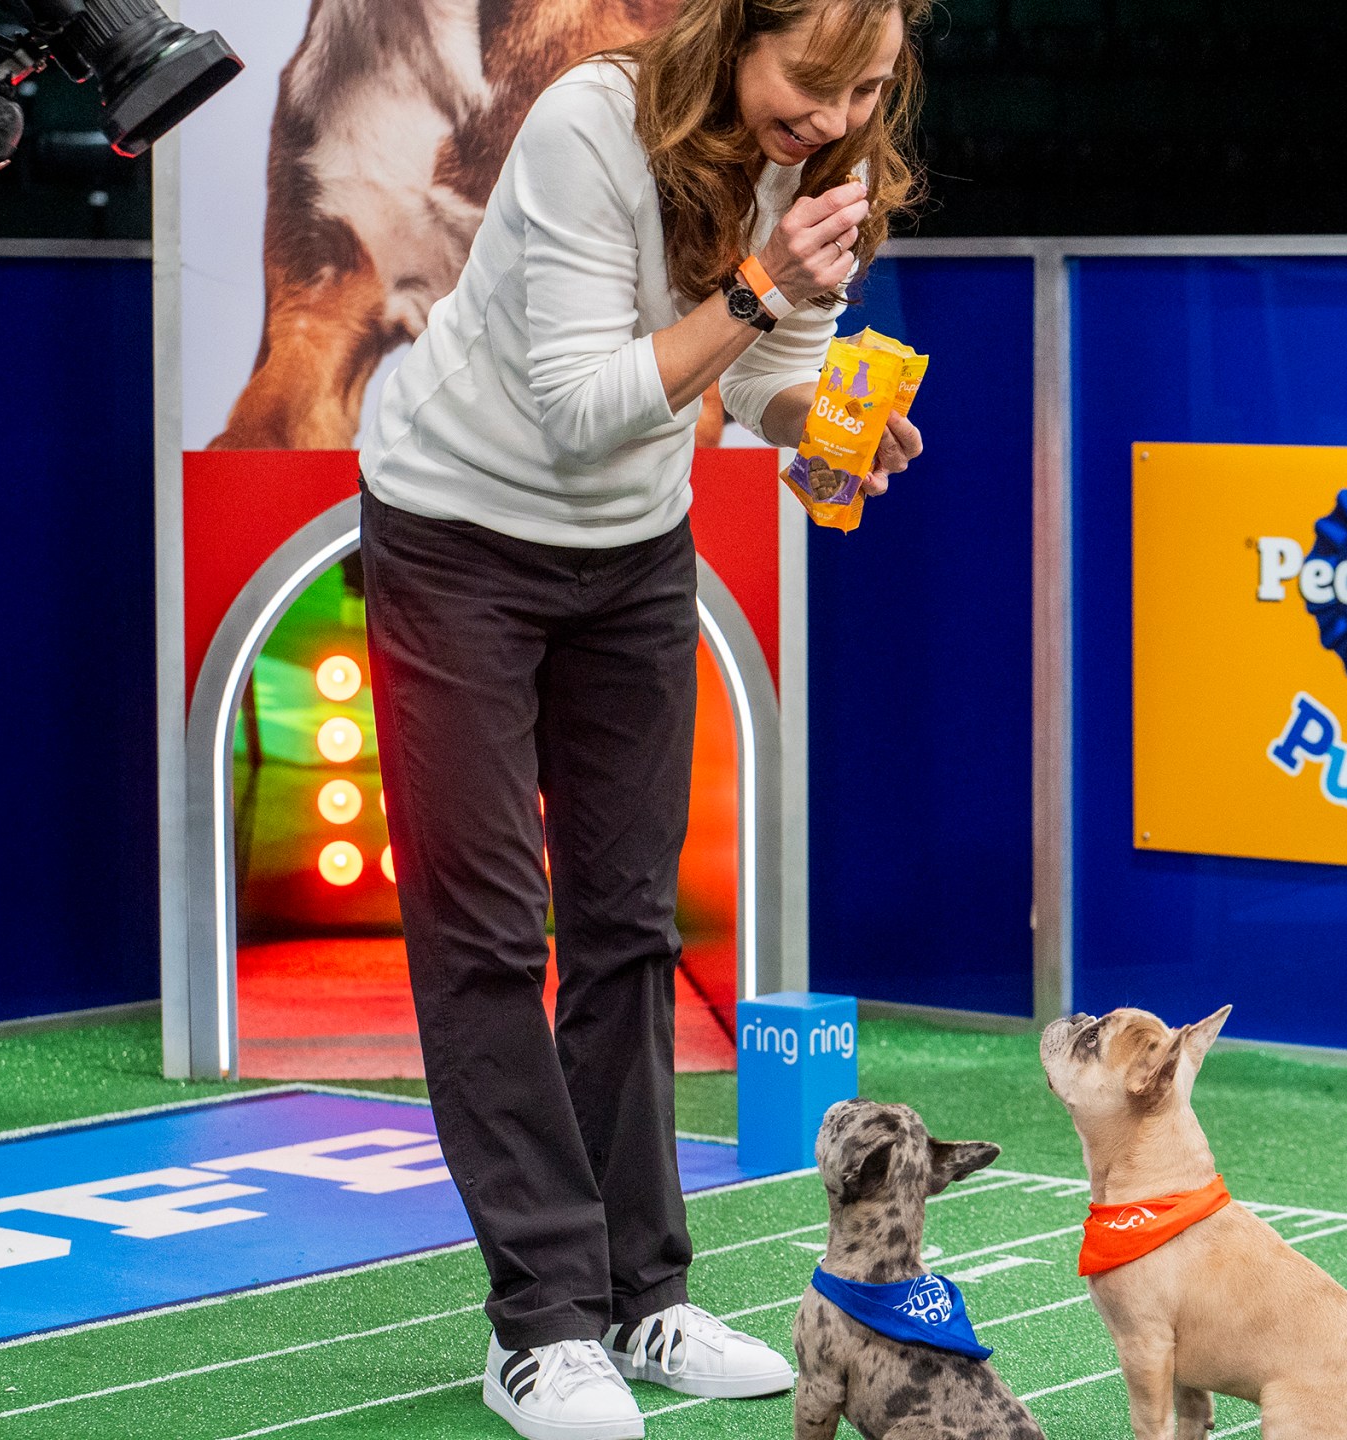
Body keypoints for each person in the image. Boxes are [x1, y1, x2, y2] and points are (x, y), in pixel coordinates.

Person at [354, 0, 929, 1435]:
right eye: (815, 81)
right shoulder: (585, 125)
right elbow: (579, 406)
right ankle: (538, 1324)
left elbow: (769, 369)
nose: (838, 118)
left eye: (869, 90)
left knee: (627, 924)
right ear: (738, 33)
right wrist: (755, 285)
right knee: (485, 930)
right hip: (456, 532)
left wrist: (821, 432)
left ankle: (642, 1295)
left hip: (631, 554)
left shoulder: (812, 162)